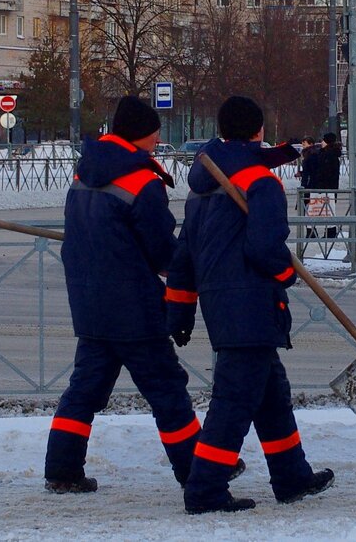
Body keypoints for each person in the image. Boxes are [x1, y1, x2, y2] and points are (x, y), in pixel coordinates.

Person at [45, 95, 231, 493]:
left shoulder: (84, 173)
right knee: (166, 388)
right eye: (156, 132)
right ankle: (197, 472)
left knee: (84, 389)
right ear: (146, 135)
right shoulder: (142, 180)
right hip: (133, 305)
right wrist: (187, 266)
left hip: (89, 301)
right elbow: (161, 249)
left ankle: (62, 470)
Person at [167, 96, 334, 515]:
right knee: (234, 401)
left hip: (221, 304)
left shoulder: (201, 189)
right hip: (252, 303)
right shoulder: (261, 182)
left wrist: (181, 311)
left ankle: (291, 475)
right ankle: (204, 489)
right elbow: (265, 248)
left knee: (271, 393)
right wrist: (285, 273)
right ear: (259, 132)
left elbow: (183, 258)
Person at [306, 132, 343, 238]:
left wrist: (319, 181)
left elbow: (325, 171)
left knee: (327, 209)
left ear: (327, 142)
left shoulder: (329, 155)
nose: (321, 142)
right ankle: (329, 232)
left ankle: (330, 232)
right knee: (328, 209)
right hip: (329, 185)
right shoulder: (327, 153)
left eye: (323, 140)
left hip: (326, 186)